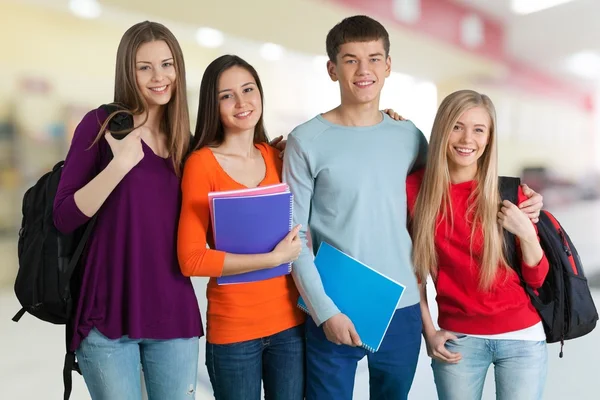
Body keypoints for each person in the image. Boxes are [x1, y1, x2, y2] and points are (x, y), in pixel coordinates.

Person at [283, 15, 544, 400]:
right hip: (336, 299)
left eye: (374, 58)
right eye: (351, 59)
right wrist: (324, 310)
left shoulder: (408, 136)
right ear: (331, 69)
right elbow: (295, 236)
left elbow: (454, 176)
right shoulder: (306, 140)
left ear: (388, 66)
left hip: (402, 307)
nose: (363, 70)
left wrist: (520, 196)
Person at [53, 21, 202, 399]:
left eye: (167, 65)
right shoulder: (101, 125)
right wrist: (118, 166)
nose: (159, 77)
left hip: (173, 314)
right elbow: (64, 215)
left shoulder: (187, 139)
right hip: (106, 316)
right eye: (144, 67)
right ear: (127, 71)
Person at [177, 55, 306, 400]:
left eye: (248, 89)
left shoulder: (279, 158)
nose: (241, 102)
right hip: (234, 331)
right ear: (212, 104)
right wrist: (271, 259)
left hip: (290, 326)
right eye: (226, 95)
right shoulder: (201, 165)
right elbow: (191, 259)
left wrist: (389, 117)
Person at [407, 90, 549, 400]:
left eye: (478, 129)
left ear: (488, 139)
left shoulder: (510, 193)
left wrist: (525, 231)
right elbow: (412, 272)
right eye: (457, 126)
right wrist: (428, 331)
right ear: (442, 129)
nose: (466, 138)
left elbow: (538, 278)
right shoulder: (415, 190)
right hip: (458, 340)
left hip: (522, 339)